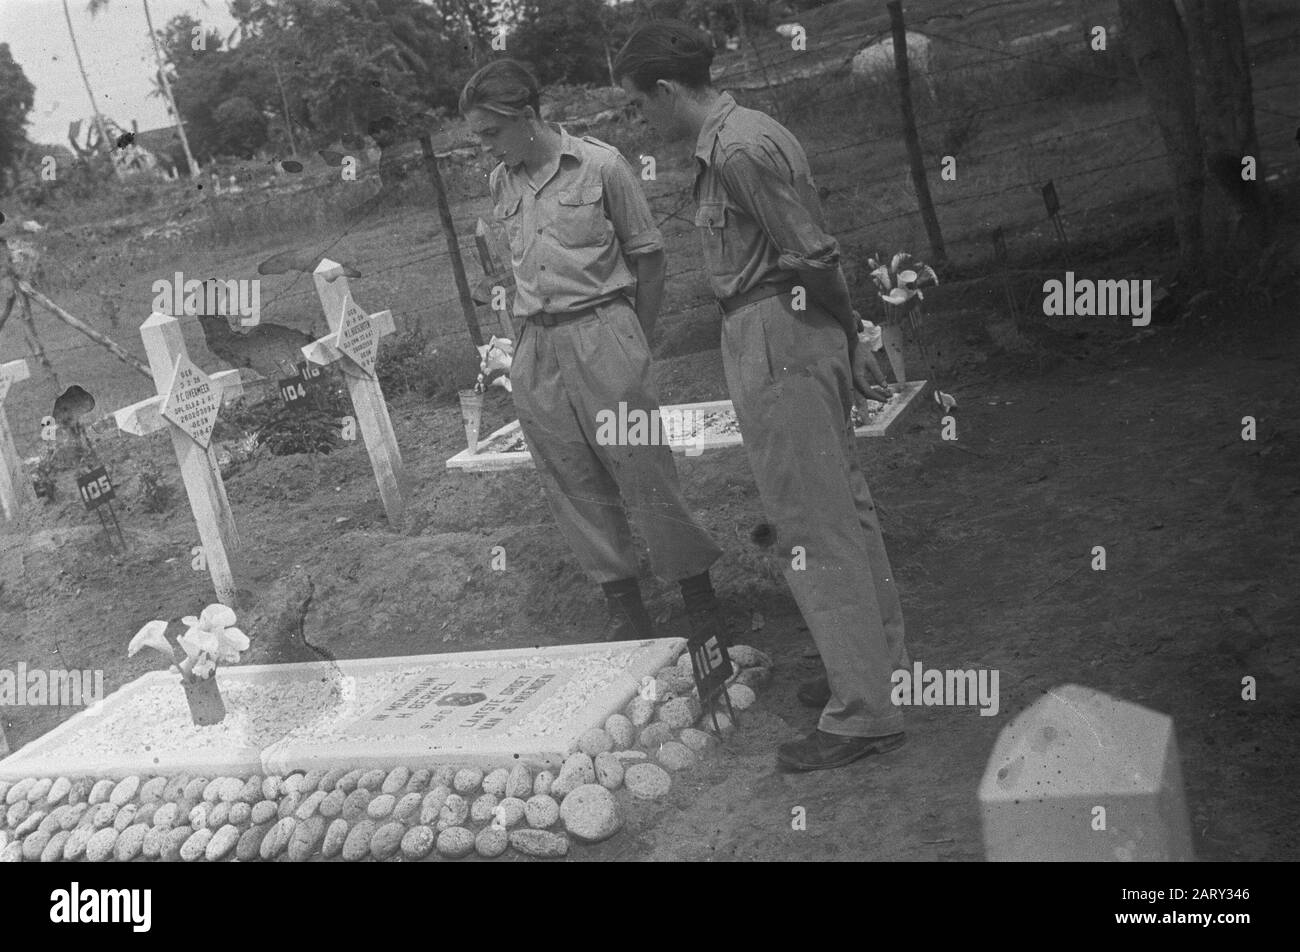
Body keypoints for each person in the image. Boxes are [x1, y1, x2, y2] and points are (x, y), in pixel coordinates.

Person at [613, 22, 909, 771]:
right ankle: (874, 672)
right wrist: (847, 334)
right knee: (845, 506)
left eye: (641, 106)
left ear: (669, 90)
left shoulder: (738, 148)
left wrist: (852, 332)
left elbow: (811, 253)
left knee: (811, 522)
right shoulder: (742, 135)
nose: (642, 121)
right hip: (788, 328)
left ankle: (863, 714)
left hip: (780, 331)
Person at [458, 59, 726, 642]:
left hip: (603, 331)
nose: (484, 147)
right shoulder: (501, 182)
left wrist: (634, 341)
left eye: (490, 133)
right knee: (571, 479)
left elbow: (649, 258)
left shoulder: (601, 166)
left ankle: (700, 604)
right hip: (536, 346)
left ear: (526, 117)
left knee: (643, 469)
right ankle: (626, 611)